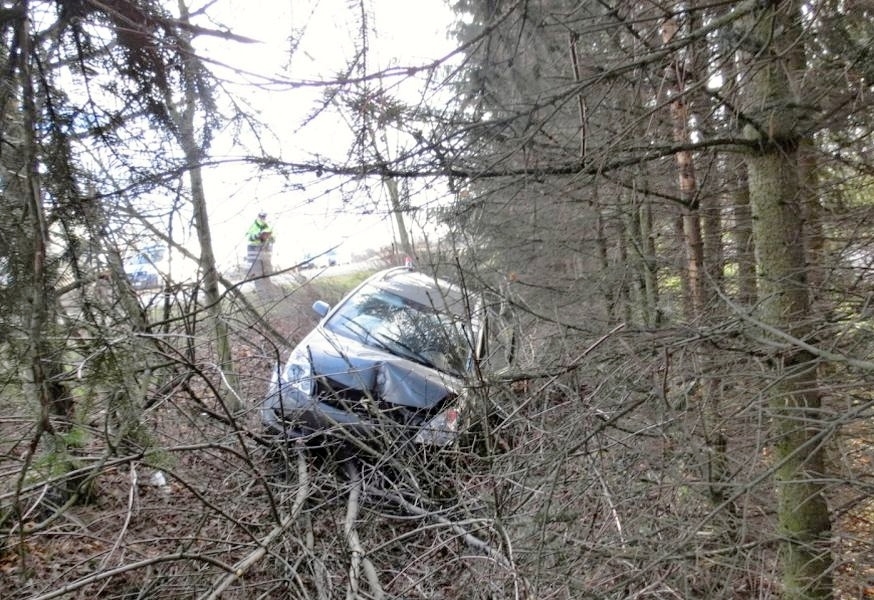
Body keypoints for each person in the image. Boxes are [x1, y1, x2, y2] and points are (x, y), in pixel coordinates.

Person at [246, 212, 275, 278]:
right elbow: (248, 236)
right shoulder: (252, 226)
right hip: (253, 248)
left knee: (265, 263)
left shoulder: (268, 226)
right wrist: (257, 236)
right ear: (258, 216)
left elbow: (273, 238)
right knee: (254, 264)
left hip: (264, 247)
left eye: (264, 217)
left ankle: (267, 273)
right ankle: (252, 275)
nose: (263, 218)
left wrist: (270, 238)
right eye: (261, 216)